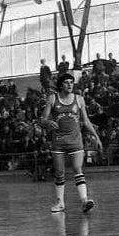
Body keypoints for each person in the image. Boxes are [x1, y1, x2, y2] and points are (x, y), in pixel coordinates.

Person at [40, 73, 102, 213]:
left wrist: (96, 137)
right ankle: (60, 203)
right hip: (59, 141)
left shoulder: (79, 99)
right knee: (60, 172)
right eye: (67, 82)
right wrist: (48, 123)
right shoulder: (52, 98)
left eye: (71, 82)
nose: (70, 85)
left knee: (77, 169)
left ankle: (85, 201)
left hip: (75, 140)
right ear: (61, 85)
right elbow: (42, 120)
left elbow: (86, 121)